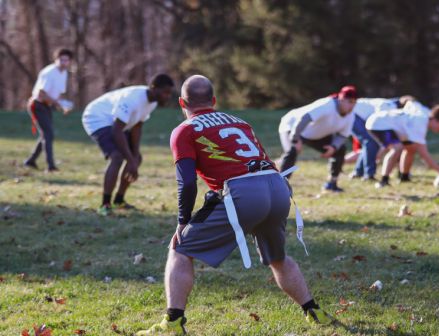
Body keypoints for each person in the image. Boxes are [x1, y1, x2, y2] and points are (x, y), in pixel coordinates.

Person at [136, 75, 334, 335]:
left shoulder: (185, 129)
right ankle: (314, 311)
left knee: (180, 248)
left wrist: (182, 221)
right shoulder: (241, 122)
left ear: (182, 103)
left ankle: (172, 322)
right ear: (214, 101)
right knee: (278, 258)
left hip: (243, 191)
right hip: (277, 187)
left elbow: (187, 182)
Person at [82, 74, 174, 216]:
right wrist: (130, 160)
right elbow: (117, 129)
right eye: (165, 93)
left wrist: (134, 156)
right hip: (96, 116)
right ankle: (105, 204)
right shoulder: (132, 99)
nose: (168, 97)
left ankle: (119, 201)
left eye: (170, 93)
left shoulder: (152, 102)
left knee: (137, 158)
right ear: (154, 88)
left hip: (116, 124)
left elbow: (137, 127)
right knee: (117, 156)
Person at [278, 86, 358, 192]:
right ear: (341, 100)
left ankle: (331, 184)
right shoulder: (327, 105)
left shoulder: (350, 116)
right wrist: (295, 139)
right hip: (293, 126)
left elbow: (342, 135)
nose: (352, 106)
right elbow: (304, 118)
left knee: (340, 148)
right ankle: (279, 186)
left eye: (354, 103)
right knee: (292, 151)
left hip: (314, 134)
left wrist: (333, 147)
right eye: (350, 102)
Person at [365, 100, 439, 188]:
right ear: (434, 120)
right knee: (397, 148)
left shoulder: (426, 112)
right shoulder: (420, 125)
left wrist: (406, 117)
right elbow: (424, 155)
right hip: (378, 123)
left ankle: (404, 177)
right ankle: (384, 181)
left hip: (394, 126)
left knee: (410, 148)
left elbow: (412, 102)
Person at [24, 48, 73, 172]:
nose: (63, 62)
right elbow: (41, 93)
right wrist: (57, 103)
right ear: (56, 60)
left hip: (47, 106)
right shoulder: (49, 72)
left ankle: (30, 161)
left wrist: (63, 103)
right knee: (48, 134)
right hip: (38, 104)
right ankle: (50, 166)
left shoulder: (64, 73)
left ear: (70, 61)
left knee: (46, 134)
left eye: (66, 60)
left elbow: (59, 94)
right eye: (60, 60)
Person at [349, 97, 398, 181]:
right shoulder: (390, 106)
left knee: (370, 142)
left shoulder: (389, 104)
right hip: (353, 114)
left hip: (358, 116)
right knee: (371, 141)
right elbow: (379, 123)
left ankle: (359, 172)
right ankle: (369, 174)